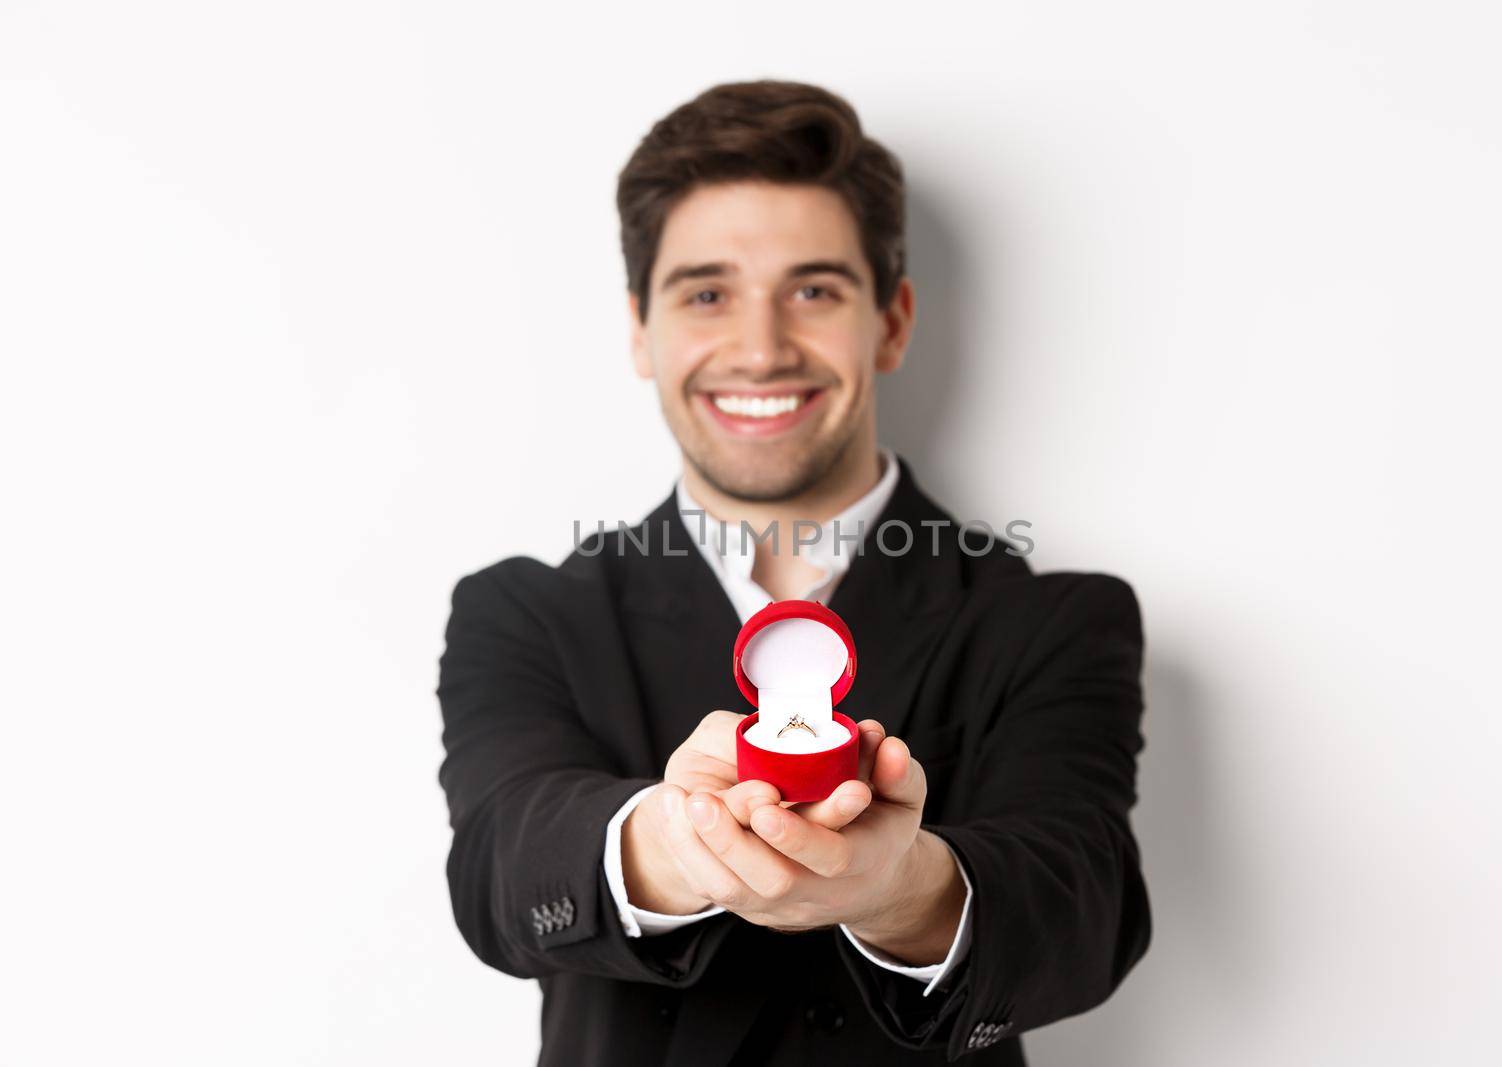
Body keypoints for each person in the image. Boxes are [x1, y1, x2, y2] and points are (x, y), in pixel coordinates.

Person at [435, 79, 1151, 1066]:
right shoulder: (528, 612)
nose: (761, 348)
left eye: (813, 290)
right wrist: (677, 845)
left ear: (892, 322)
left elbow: (1087, 910)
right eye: (706, 293)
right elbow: (497, 875)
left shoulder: (1050, 617)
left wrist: (898, 887)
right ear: (641, 328)